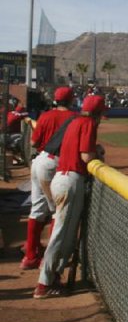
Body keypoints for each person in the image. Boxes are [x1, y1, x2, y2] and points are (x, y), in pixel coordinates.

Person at [33, 94, 105, 299]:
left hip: (61, 178)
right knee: (61, 234)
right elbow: (85, 156)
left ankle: (52, 277)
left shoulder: (74, 121)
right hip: (70, 181)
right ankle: (44, 284)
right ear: (97, 113)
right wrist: (97, 153)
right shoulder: (88, 123)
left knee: (64, 233)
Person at [21, 87, 76, 270]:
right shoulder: (74, 118)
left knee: (36, 209)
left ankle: (30, 256)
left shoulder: (45, 116)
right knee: (56, 212)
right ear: (71, 100)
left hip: (39, 161)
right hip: (56, 164)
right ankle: (49, 259)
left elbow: (34, 143)